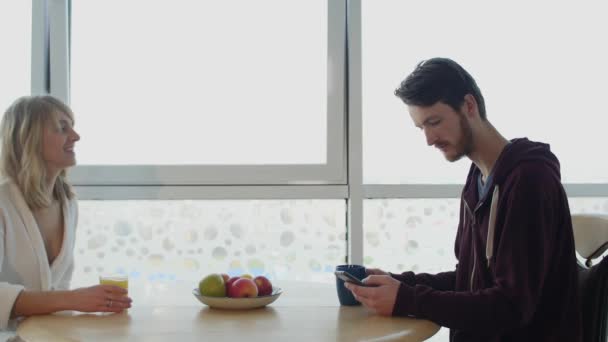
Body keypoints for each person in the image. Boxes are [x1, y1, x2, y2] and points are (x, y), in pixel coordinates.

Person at [345, 58, 581, 341]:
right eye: (422, 127)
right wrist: (398, 284)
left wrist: (407, 299)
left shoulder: (529, 181)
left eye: (434, 122)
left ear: (469, 106)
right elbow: (470, 280)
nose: (429, 139)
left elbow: (512, 306)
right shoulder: (478, 180)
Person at [0, 95, 132, 331]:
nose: (76, 136)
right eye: (62, 128)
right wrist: (76, 299)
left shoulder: (67, 203)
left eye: (72, 126)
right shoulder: (2, 203)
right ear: (29, 138)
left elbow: (57, 287)